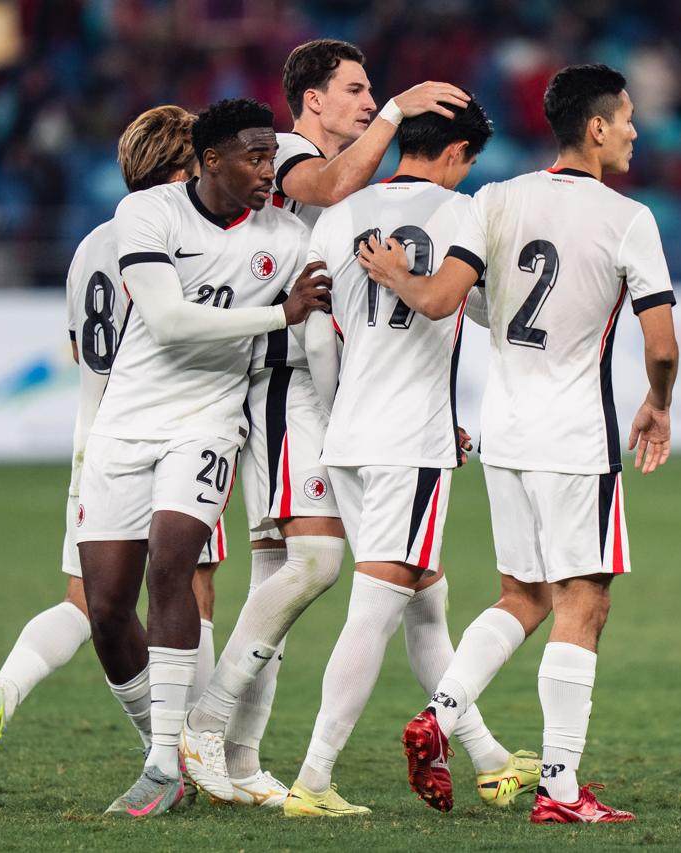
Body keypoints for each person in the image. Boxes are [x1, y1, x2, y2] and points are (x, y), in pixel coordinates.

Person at [358, 63, 679, 825]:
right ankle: (561, 789)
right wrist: (658, 404)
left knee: (524, 594)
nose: (634, 130)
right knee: (586, 600)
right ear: (596, 128)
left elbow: (445, 302)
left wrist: (399, 273)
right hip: (573, 435)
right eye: (627, 117)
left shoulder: (493, 199)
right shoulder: (629, 219)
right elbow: (661, 345)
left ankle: (441, 713)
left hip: (503, 430)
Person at [180, 38, 470, 804]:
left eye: (375, 92)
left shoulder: (334, 173)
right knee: (315, 566)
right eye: (356, 89)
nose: (370, 102)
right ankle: (205, 726)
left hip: (315, 380)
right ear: (312, 100)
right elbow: (338, 181)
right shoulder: (284, 151)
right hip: (286, 382)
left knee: (295, 573)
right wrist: (407, 109)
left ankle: (239, 760)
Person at [0, 105, 231, 796]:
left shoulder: (88, 246)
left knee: (89, 602)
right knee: (190, 589)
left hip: (95, 443)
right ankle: (192, 749)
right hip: (169, 436)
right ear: (180, 169)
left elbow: (83, 348)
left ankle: (6, 692)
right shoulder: (182, 239)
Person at [279, 97, 542, 818]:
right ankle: (314, 775)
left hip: (352, 436)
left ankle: (489, 759)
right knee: (376, 608)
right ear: (456, 152)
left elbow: (318, 337)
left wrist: (340, 418)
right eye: (470, 160)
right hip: (407, 441)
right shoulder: (461, 215)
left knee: (426, 603)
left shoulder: (339, 215)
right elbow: (448, 306)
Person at [76, 98, 329, 818]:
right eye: (254, 156)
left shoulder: (284, 235)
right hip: (127, 422)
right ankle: (164, 746)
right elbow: (168, 321)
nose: (268, 171)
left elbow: (315, 326)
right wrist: (279, 313)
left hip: (207, 422)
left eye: (272, 157)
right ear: (210, 159)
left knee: (172, 564)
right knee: (105, 609)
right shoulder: (150, 214)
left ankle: (163, 762)